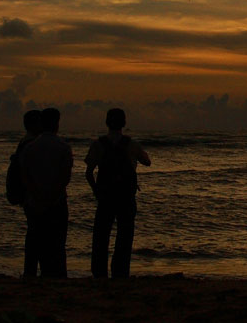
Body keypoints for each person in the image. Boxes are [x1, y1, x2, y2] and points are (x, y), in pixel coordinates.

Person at [86, 108, 151, 278]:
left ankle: (99, 271)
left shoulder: (98, 144)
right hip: (126, 197)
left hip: (105, 196)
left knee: (101, 236)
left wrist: (95, 191)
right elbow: (147, 162)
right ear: (124, 123)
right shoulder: (132, 144)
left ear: (107, 123)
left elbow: (89, 172)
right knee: (125, 235)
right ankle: (120, 271)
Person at [20, 107, 73, 278]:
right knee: (57, 242)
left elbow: (25, 176)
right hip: (57, 200)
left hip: (35, 201)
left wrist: (37, 195)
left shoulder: (30, 147)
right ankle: (57, 274)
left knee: (35, 238)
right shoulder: (63, 147)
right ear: (57, 124)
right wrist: (53, 196)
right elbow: (65, 177)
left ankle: (32, 273)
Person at [12, 109, 42, 278]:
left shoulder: (25, 142)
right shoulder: (30, 144)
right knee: (36, 234)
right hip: (32, 196)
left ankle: (30, 270)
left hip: (28, 195)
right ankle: (30, 271)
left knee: (34, 232)